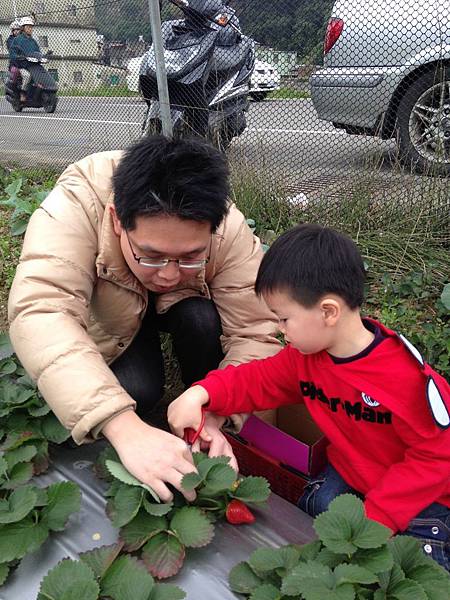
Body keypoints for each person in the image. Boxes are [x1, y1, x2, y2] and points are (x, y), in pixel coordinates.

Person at [8, 135, 280, 503]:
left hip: (187, 304)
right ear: (117, 220)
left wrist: (218, 407)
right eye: (150, 255)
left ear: (213, 231)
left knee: (200, 321)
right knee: (138, 391)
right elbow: (41, 310)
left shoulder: (226, 226)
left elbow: (257, 329)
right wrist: (124, 426)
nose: (168, 274)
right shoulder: (78, 202)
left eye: (189, 257)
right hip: (114, 310)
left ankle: (198, 406)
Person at [168, 223, 450, 570]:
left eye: (284, 319)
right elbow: (259, 380)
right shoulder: (307, 358)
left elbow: (438, 456)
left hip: (421, 500)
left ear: (328, 311)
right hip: (351, 474)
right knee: (313, 521)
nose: (280, 330)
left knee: (412, 570)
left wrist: (378, 516)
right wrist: (203, 392)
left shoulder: (404, 379)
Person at [9, 16, 40, 103]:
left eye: (31, 27)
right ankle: (23, 93)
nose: (30, 29)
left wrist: (42, 56)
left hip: (32, 64)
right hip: (21, 65)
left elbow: (37, 51)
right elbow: (12, 52)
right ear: (23, 28)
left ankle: (36, 93)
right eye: (28, 27)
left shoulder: (33, 41)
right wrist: (17, 56)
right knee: (27, 76)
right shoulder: (17, 40)